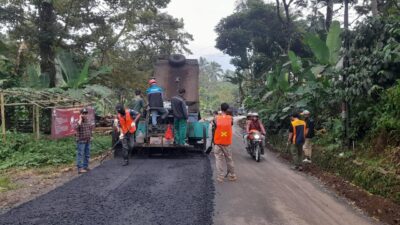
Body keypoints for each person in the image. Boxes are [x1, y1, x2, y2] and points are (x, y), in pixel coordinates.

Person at [213, 103, 237, 183]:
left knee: (218, 159)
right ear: (227, 109)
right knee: (229, 159)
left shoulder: (216, 118)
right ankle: (232, 175)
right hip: (226, 142)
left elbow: (215, 125)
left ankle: (220, 177)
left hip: (218, 141)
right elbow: (231, 124)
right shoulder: (231, 118)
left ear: (220, 108)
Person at [74, 108, 94, 174]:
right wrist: (80, 119)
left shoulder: (88, 121)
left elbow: (90, 129)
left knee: (87, 154)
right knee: (80, 154)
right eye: (83, 113)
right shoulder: (78, 121)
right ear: (81, 114)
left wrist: (91, 136)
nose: (85, 115)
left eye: (86, 113)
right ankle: (80, 168)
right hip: (81, 141)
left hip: (87, 140)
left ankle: (86, 166)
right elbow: (76, 128)